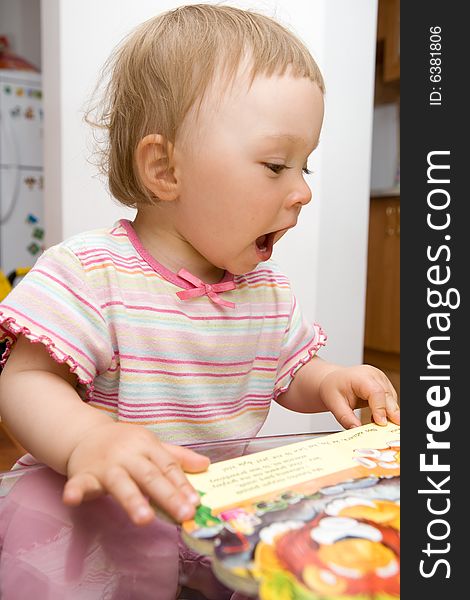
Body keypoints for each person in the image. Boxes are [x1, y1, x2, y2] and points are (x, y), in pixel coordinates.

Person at [0, 4, 400, 599]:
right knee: (50, 517)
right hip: (111, 502)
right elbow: (25, 383)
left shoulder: (266, 291)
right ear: (164, 169)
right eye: (276, 165)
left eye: (305, 165)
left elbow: (288, 371)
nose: (304, 191)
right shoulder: (90, 272)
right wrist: (88, 440)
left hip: (214, 502)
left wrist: (332, 379)